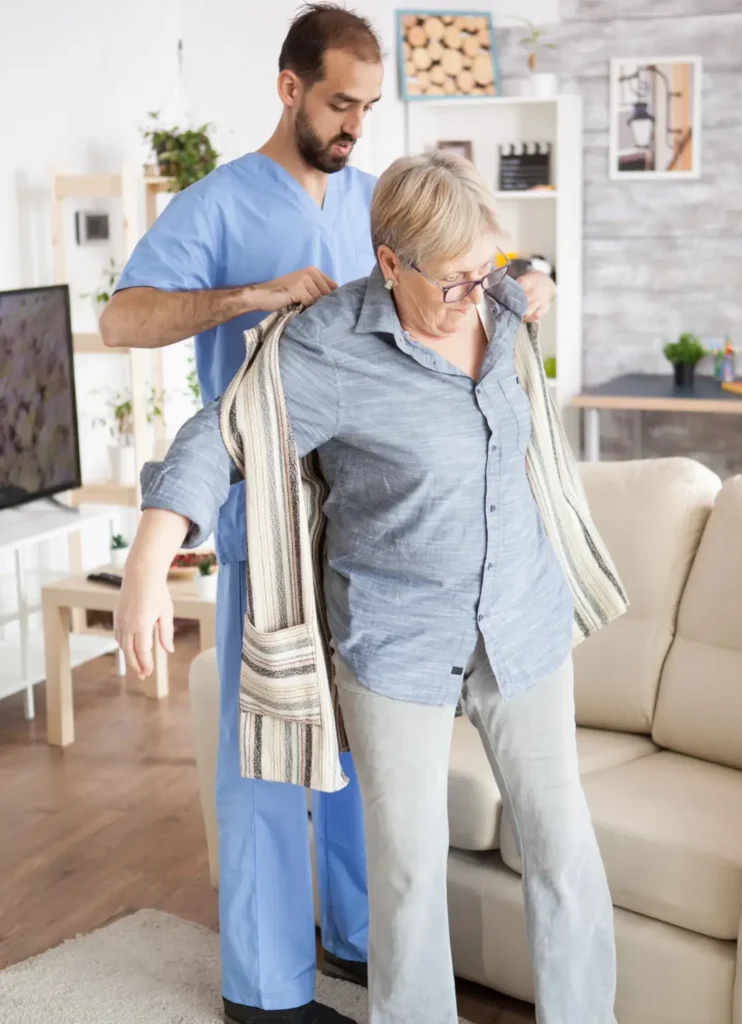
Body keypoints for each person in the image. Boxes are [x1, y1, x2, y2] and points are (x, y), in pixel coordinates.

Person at [101, 5, 558, 1022]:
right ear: (289, 89)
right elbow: (121, 317)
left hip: (362, 523)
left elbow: (468, 274)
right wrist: (249, 296)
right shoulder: (220, 205)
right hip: (262, 513)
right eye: (339, 103)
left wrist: (529, 281)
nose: (354, 123)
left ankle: (353, 939)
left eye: (368, 105)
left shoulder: (373, 203)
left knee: (358, 754)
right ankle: (262, 988)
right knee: (267, 746)